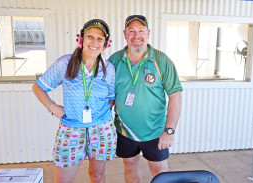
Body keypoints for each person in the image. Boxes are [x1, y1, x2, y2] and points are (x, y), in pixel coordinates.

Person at [32, 19, 116, 183]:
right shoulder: (65, 63)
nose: (94, 42)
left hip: (100, 129)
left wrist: (98, 115)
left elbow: (111, 99)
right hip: (71, 128)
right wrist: (52, 106)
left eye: (100, 39)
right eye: (90, 37)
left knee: (97, 176)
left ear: (105, 44)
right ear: (81, 39)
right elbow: (38, 87)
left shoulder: (109, 68)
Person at [108, 15, 183, 183]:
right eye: (131, 31)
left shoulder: (161, 61)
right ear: (124, 34)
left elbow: (175, 96)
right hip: (124, 130)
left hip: (155, 131)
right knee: (130, 166)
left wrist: (169, 131)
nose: (136, 36)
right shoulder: (114, 61)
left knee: (160, 172)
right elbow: (109, 97)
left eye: (141, 31)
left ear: (148, 33)